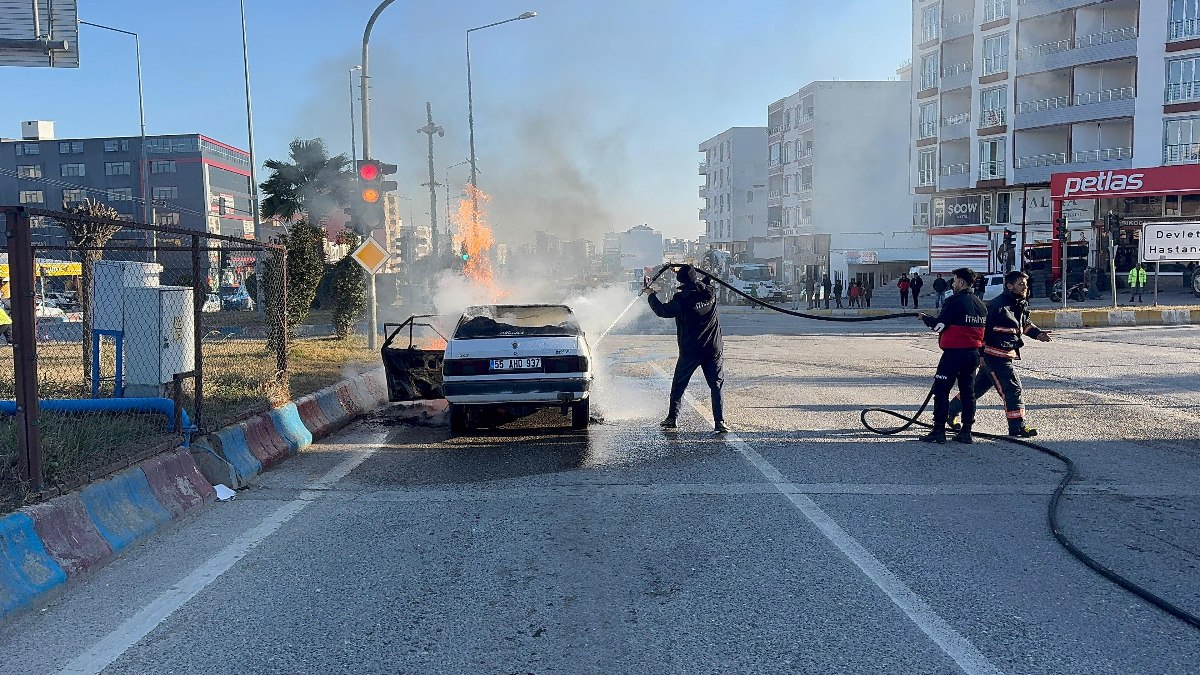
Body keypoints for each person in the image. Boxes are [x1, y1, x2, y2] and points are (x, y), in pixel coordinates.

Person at [947, 270, 1051, 438]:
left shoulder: (1020, 303)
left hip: (1005, 353)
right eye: (1020, 284)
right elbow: (982, 331)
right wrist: (980, 354)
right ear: (1010, 286)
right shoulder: (998, 306)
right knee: (1012, 388)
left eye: (1025, 284)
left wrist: (1038, 334)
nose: (1025, 287)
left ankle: (950, 411)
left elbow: (1025, 324)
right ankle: (1017, 425)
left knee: (975, 389)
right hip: (995, 356)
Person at [647, 265, 729, 433]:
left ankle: (672, 418)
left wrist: (651, 295)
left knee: (679, 384)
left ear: (681, 282)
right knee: (716, 385)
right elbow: (706, 279)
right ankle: (719, 421)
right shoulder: (709, 293)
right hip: (713, 349)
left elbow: (662, 310)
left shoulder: (681, 300)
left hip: (691, 350)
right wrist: (685, 272)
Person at [916, 268, 988, 444]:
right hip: (972, 355)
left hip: (953, 354)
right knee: (968, 393)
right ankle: (966, 431)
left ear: (961, 283)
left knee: (941, 391)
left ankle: (938, 430)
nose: (953, 284)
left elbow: (939, 326)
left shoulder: (954, 302)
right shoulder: (980, 305)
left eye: (955, 280)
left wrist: (925, 318)